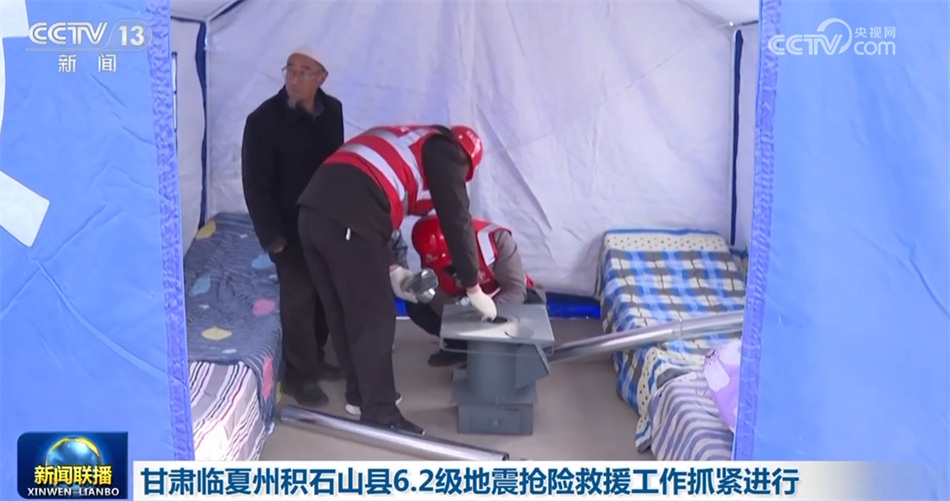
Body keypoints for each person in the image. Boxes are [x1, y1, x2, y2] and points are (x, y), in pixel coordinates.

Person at [296, 124, 495, 435]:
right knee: (375, 318)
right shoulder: (446, 151)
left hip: (311, 214)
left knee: (342, 310)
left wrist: (392, 267)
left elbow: (372, 203)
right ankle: (381, 413)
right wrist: (473, 286)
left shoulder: (404, 142)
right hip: (348, 216)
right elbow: (457, 218)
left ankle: (359, 396)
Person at [241, 45, 344, 408]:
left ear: (322, 77)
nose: (294, 78)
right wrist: (272, 236)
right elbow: (255, 183)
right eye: (290, 70)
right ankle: (301, 376)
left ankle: (315, 356)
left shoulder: (332, 111)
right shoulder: (263, 120)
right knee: (298, 301)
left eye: (304, 72)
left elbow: (337, 166)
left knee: (324, 295)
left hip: (326, 221)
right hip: (288, 226)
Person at [407, 215, 546, 366]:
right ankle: (460, 347)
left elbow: (515, 289)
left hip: (503, 298)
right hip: (464, 303)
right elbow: (437, 293)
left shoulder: (494, 239)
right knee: (417, 304)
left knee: (533, 307)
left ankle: (501, 349)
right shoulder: (430, 253)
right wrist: (461, 311)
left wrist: (489, 310)